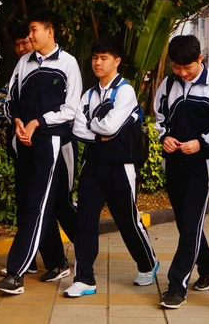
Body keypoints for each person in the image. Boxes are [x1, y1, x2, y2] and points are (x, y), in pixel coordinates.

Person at [64, 35, 158, 298]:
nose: (98, 62)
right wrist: (98, 133)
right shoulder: (89, 93)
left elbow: (111, 126)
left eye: (104, 58)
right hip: (93, 165)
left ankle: (148, 263)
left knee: (127, 220)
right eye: (95, 57)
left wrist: (94, 125)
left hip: (121, 165)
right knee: (85, 222)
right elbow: (78, 127)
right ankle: (84, 278)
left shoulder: (125, 91)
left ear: (116, 61)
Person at [0, 10, 80, 294]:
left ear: (49, 31)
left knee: (39, 204)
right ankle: (57, 261)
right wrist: (18, 122)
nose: (29, 37)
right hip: (25, 142)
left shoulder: (68, 64)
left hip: (50, 141)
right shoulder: (24, 63)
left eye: (33, 31)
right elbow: (11, 99)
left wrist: (36, 122)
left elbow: (71, 109)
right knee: (32, 203)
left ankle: (16, 272)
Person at [153, 35, 209, 308]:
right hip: (174, 163)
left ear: (201, 59)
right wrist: (164, 136)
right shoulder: (168, 83)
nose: (183, 74)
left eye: (188, 68)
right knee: (187, 223)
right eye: (177, 68)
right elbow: (159, 117)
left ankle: (177, 286)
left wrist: (201, 141)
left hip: (203, 165)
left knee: (189, 227)